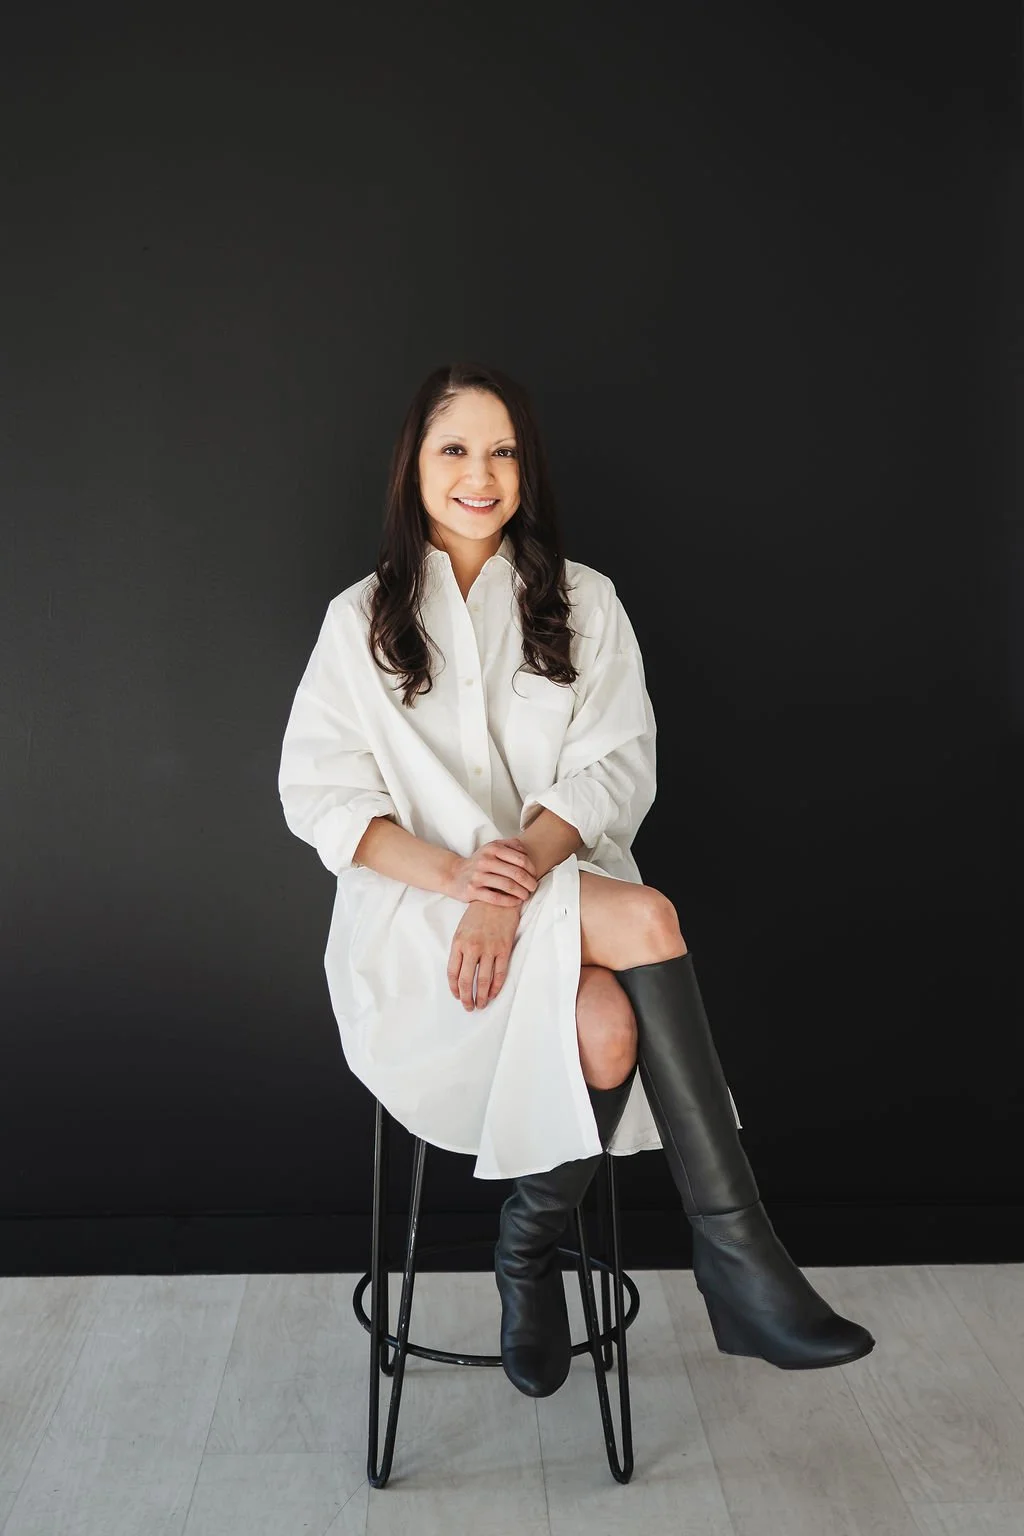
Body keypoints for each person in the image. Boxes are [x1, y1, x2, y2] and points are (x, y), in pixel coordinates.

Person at [277, 360, 875, 1400]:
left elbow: (614, 765)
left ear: (526, 468)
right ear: (413, 469)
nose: (481, 473)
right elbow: (323, 799)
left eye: (503, 450)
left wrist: (512, 883)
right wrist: (469, 887)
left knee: (607, 1032)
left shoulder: (583, 602)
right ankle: (742, 1269)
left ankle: (526, 1247)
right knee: (647, 914)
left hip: (550, 893)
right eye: (454, 448)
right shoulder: (358, 620)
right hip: (419, 930)